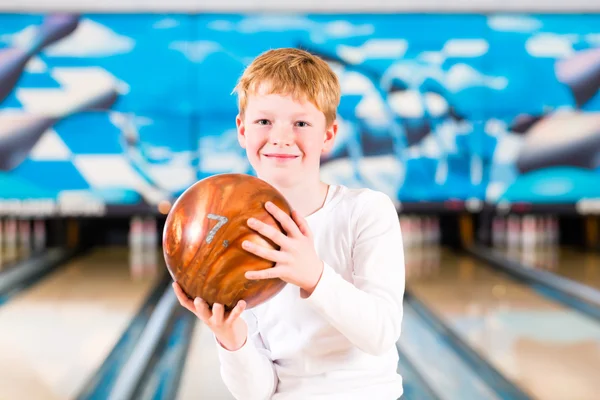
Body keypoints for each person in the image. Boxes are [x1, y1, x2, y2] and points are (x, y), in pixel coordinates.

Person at [173, 47, 406, 400]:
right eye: (264, 121)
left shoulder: (367, 211)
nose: (281, 137)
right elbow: (258, 392)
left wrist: (313, 275)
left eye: (300, 123)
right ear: (242, 129)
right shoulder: (234, 241)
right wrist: (232, 338)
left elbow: (381, 334)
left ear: (328, 135)